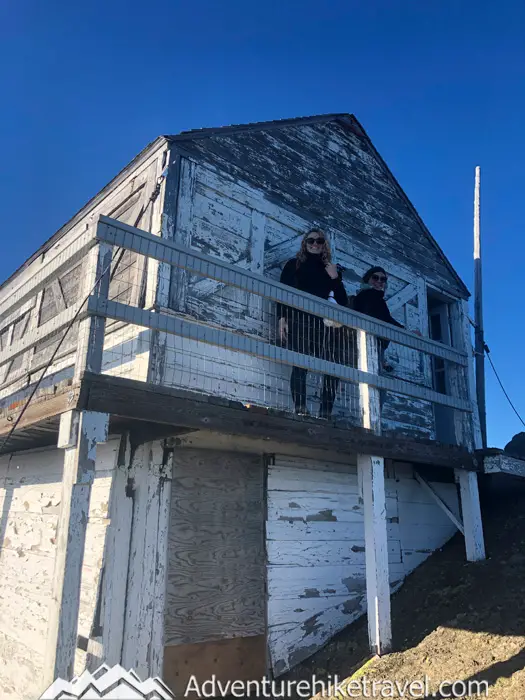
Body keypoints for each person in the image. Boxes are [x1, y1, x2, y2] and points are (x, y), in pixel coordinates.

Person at [277, 228, 348, 418]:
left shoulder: (330, 269)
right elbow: (282, 291)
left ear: (324, 245)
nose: (315, 244)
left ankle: (325, 414)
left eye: (319, 241)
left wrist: (335, 278)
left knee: (333, 368)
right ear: (305, 243)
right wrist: (282, 318)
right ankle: (301, 409)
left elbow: (342, 301)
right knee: (300, 365)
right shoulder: (294, 264)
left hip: (325, 326)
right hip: (299, 319)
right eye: (311, 241)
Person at [353, 266, 415, 371]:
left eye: (383, 279)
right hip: (369, 341)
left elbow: (386, 318)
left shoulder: (376, 297)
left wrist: (406, 331)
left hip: (372, 342)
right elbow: (382, 318)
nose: (379, 281)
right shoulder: (368, 295)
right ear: (368, 279)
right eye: (375, 277)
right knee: (373, 376)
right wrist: (405, 331)